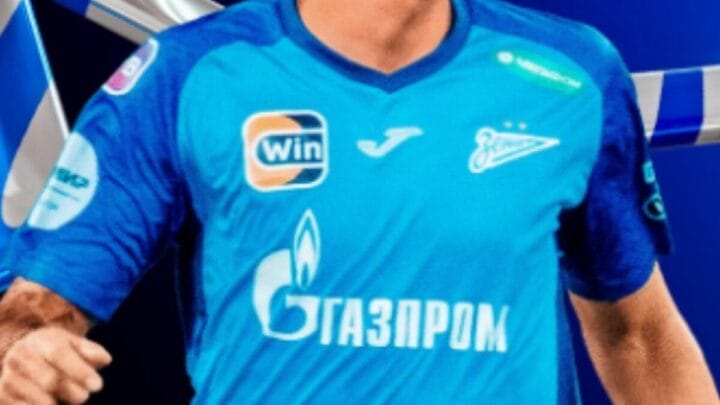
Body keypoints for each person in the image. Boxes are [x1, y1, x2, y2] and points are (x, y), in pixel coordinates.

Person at [0, 0, 717, 403]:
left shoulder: (574, 77)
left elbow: (639, 336)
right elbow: (30, 314)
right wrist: (22, 354)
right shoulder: (186, 76)